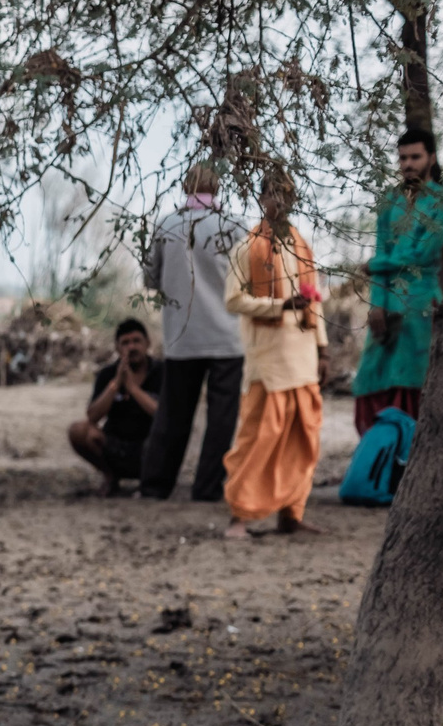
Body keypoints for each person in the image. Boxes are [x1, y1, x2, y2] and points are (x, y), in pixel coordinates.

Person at [221, 170, 327, 541]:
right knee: (258, 439)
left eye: (287, 194)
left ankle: (290, 515)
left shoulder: (301, 245)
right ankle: (240, 517)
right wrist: (280, 305)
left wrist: (323, 348)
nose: (280, 201)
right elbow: (233, 300)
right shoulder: (246, 248)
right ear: (262, 198)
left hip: (303, 359)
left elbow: (315, 301)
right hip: (268, 361)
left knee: (303, 439)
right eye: (273, 194)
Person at [139, 163, 249, 503]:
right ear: (218, 188)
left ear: (185, 186)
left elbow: (149, 279)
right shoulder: (234, 226)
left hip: (181, 337)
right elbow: (250, 278)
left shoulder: (166, 225)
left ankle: (156, 486)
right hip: (227, 338)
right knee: (221, 420)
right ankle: (207, 488)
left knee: (173, 415)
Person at [354, 128, 443, 433]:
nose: (408, 164)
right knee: (372, 377)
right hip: (385, 301)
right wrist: (376, 305)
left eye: (415, 157)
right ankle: (379, 461)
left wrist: (375, 265)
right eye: (402, 158)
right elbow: (381, 246)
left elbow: (421, 256)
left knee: (413, 381)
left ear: (431, 158)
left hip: (421, 302)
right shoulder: (389, 200)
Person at [67, 319, 163, 494]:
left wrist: (133, 389)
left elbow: (163, 415)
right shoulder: (107, 374)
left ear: (147, 343)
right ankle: (110, 476)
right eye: (125, 343)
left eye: (136, 341)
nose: (131, 347)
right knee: (78, 430)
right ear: (117, 348)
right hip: (115, 445)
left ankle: (151, 482)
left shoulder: (162, 372)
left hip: (151, 448)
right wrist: (115, 384)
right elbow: (93, 416)